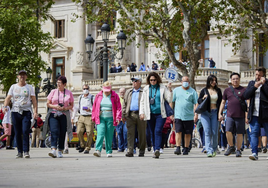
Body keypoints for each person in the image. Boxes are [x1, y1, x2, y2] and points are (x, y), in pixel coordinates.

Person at [3, 70, 38, 158]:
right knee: (17, 132)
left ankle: (26, 151)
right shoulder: (13, 87)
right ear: (18, 77)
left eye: (24, 75)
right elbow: (8, 98)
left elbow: (34, 100)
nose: (22, 77)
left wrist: (35, 112)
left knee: (25, 130)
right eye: (20, 75)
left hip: (26, 112)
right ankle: (19, 151)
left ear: (26, 77)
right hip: (15, 111)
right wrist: (4, 107)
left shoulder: (29, 87)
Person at [140, 72, 173, 158]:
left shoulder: (162, 87)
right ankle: (155, 149)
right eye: (151, 80)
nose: (153, 81)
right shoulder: (146, 89)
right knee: (152, 132)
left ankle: (157, 149)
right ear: (149, 80)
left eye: (154, 80)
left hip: (160, 114)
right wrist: (142, 112)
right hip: (150, 113)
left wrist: (169, 89)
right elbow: (142, 101)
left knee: (158, 131)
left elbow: (169, 99)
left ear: (157, 80)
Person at [43, 76, 74, 158]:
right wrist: (55, 106)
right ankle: (53, 149)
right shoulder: (53, 91)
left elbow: (71, 105)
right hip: (53, 113)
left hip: (64, 114)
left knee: (62, 132)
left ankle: (60, 150)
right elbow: (48, 103)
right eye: (57, 82)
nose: (58, 84)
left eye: (60, 83)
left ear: (64, 84)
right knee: (54, 131)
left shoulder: (68, 93)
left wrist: (65, 108)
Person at [218, 72, 246, 158]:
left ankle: (238, 150)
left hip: (240, 115)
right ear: (231, 80)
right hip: (230, 115)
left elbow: (247, 102)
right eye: (233, 79)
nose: (235, 80)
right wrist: (220, 113)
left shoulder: (243, 90)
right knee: (228, 131)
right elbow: (223, 102)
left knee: (239, 133)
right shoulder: (227, 90)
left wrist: (247, 115)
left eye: (237, 79)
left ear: (239, 79)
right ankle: (231, 146)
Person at [243, 67, 268, 160]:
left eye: (259, 75)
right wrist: (254, 87)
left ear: (263, 75)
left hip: (266, 113)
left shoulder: (267, 83)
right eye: (256, 74)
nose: (257, 77)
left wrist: (264, 84)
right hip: (254, 113)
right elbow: (245, 95)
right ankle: (254, 153)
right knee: (254, 133)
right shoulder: (251, 83)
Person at [92, 81, 121, 157]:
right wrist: (94, 117)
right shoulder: (98, 96)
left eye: (108, 91)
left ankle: (109, 151)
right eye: (105, 91)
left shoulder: (115, 96)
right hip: (100, 117)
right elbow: (94, 107)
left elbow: (118, 107)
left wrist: (118, 117)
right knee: (100, 133)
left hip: (111, 118)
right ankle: (98, 150)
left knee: (109, 135)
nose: (107, 93)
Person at [173, 76, 198, 156]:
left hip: (189, 116)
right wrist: (171, 113)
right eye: (183, 81)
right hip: (178, 115)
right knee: (178, 131)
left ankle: (186, 148)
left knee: (188, 133)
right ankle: (177, 147)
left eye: (187, 81)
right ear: (181, 82)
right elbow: (171, 100)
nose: (185, 82)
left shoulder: (193, 92)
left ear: (189, 82)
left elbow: (196, 103)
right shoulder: (176, 90)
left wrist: (196, 114)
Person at [198, 75, 222, 157]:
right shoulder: (204, 90)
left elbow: (221, 102)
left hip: (215, 112)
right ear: (209, 81)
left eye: (215, 80)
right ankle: (208, 150)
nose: (214, 82)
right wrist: (203, 98)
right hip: (205, 113)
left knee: (214, 132)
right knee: (207, 131)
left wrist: (220, 113)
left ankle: (215, 148)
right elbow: (199, 100)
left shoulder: (218, 90)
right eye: (212, 81)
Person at [122, 77, 146, 157]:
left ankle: (142, 150)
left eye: (135, 81)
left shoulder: (144, 91)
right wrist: (123, 115)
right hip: (130, 114)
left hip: (141, 114)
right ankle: (130, 150)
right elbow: (124, 104)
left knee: (142, 133)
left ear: (140, 82)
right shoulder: (128, 92)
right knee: (130, 133)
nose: (133, 82)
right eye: (132, 81)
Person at [72, 84, 94, 154]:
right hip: (81, 116)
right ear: (82, 90)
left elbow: (95, 108)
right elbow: (77, 107)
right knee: (78, 132)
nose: (85, 90)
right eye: (84, 89)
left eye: (86, 88)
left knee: (89, 132)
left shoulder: (92, 97)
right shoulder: (80, 97)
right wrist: (74, 117)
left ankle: (88, 147)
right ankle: (82, 145)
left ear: (89, 89)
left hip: (89, 116)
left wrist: (89, 109)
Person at [117, 88, 127, 152]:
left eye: (123, 92)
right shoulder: (117, 99)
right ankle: (121, 147)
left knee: (125, 133)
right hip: (118, 119)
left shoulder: (127, 99)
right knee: (119, 133)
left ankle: (126, 146)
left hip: (126, 119)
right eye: (121, 92)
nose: (122, 93)